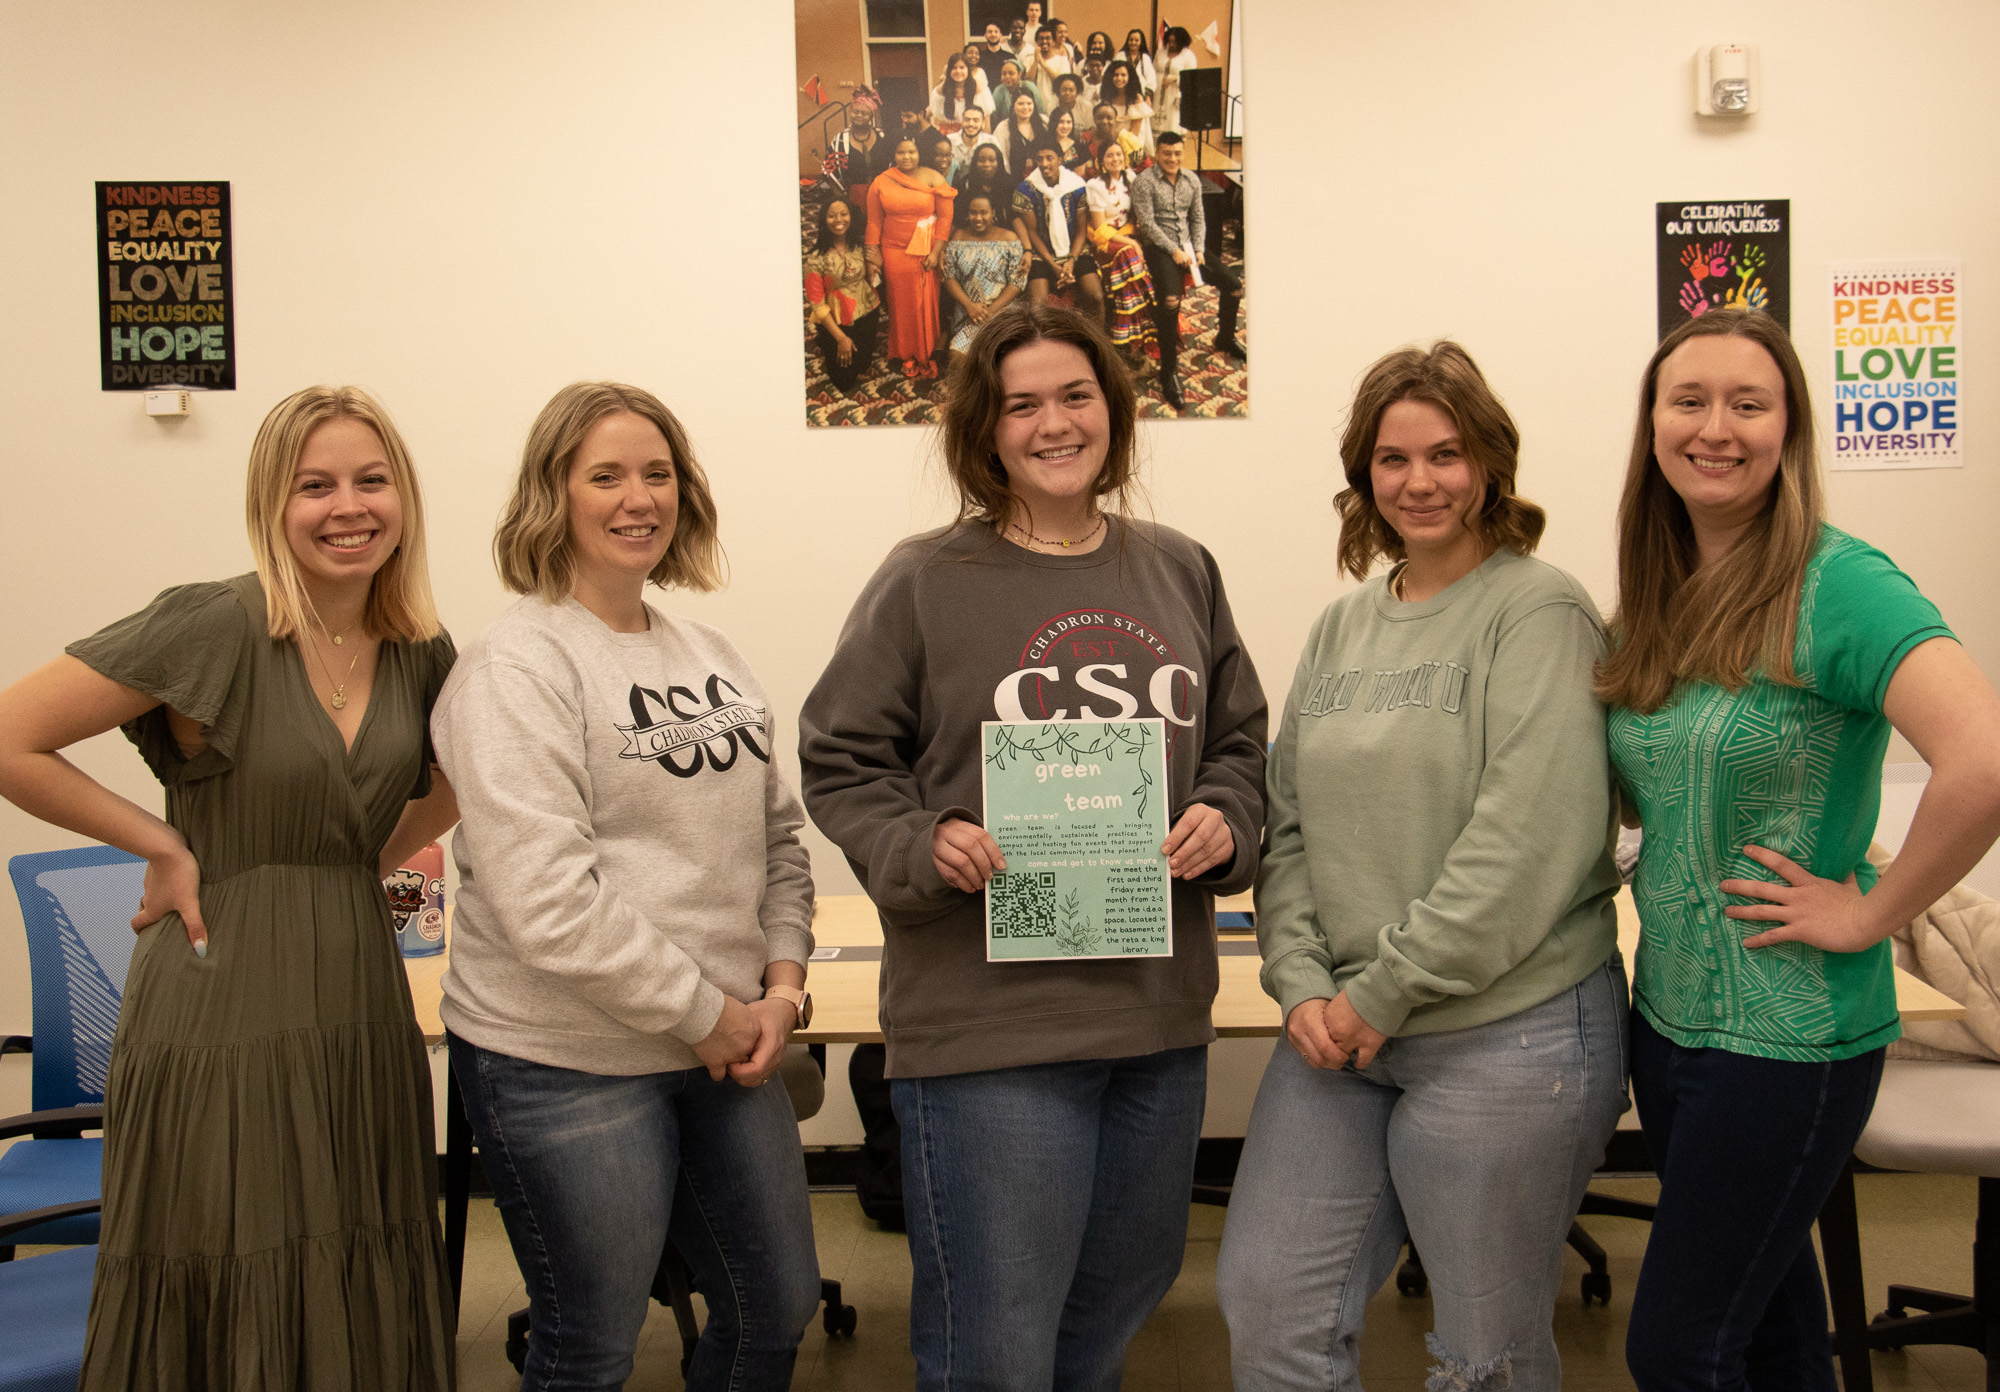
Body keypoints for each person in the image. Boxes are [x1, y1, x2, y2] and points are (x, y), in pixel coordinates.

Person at [797, 302, 1268, 1392]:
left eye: (1074, 396)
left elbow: (1240, 744)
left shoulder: (1178, 568)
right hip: (988, 1038)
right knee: (996, 1355)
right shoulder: (925, 579)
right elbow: (839, 759)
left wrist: (1226, 818)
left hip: (1154, 1023)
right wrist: (924, 839)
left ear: (1111, 411)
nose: (1053, 423)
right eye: (1021, 405)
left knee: (1108, 1322)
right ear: (985, 432)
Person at [0, 386, 460, 1389]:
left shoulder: (424, 649)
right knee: (233, 1251)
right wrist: (158, 843)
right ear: (272, 504)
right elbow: (10, 735)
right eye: (316, 486)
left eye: (371, 481)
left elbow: (445, 790)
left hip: (355, 996)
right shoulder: (211, 624)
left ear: (404, 498)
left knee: (359, 1242)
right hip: (221, 997)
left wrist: (355, 860)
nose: (349, 507)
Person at [1599, 307, 2000, 1392]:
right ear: (1650, 425)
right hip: (1670, 1022)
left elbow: (1984, 757)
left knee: (1676, 1349)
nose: (1713, 427)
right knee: (1770, 1338)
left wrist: (1868, 912)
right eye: (1687, 400)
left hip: (1788, 1042)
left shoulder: (1839, 583)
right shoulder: (1655, 594)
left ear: (1788, 429)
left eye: (1747, 402)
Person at [1215, 343, 1628, 1392]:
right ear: (1362, 476)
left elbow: (1523, 844)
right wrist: (1301, 982)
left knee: (1479, 1357)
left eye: (1444, 454)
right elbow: (1291, 824)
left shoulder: (1536, 611)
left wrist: (1380, 993)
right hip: (1343, 1036)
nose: (1419, 481)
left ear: (1488, 462)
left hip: (1509, 1029)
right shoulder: (1342, 625)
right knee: (1270, 1314)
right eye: (1391, 460)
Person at [437, 382, 821, 1392]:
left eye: (657, 473)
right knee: (592, 1341)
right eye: (603, 475)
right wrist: (707, 1015)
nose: (636, 497)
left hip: (727, 1046)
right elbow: (546, 903)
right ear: (550, 497)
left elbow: (776, 838)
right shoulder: (515, 666)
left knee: (773, 1308)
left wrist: (781, 985)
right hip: (567, 1060)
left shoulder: (710, 655)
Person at [1132, 129, 1245, 407]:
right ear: (1158, 154)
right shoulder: (1144, 181)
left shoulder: (1191, 180)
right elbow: (1147, 224)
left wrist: (1199, 249)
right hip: (1160, 249)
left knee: (1235, 286)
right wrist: (1174, 251)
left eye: (1177, 153)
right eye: (1167, 153)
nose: (1172, 158)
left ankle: (1225, 337)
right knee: (1171, 301)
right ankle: (1168, 370)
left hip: (1189, 248)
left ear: (1183, 153)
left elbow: (1197, 218)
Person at [867, 136, 958, 379]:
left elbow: (945, 219)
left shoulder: (934, 178)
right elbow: (874, 221)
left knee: (921, 302)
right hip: (893, 249)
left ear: (920, 153)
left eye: (912, 152)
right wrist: (872, 255)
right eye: (900, 152)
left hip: (925, 250)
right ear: (893, 155)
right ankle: (904, 352)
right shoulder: (881, 181)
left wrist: (936, 252)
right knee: (898, 302)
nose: (906, 157)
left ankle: (926, 351)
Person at [1013, 139, 1102, 318]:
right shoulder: (1026, 189)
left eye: (1049, 158)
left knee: (1096, 296)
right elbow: (1032, 232)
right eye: (1040, 159)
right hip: (1042, 252)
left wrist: (1070, 261)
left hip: (1075, 249)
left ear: (1060, 159)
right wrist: (1053, 264)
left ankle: (1096, 341)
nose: (1044, 164)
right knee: (1037, 305)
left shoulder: (1076, 186)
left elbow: (1081, 231)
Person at [805, 196, 881, 398]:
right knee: (843, 381)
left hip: (867, 312)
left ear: (851, 216)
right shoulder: (815, 259)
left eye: (843, 214)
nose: (839, 220)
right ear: (824, 220)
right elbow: (817, 305)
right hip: (837, 322)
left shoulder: (860, 246)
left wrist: (878, 262)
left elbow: (876, 275)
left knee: (862, 364)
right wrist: (840, 338)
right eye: (832, 216)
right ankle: (827, 339)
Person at [1084, 141, 1155, 354]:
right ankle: (1124, 336)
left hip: (1128, 232)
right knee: (1129, 254)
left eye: (1118, 155)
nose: (1115, 159)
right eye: (1109, 156)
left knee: (1132, 254)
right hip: (1104, 237)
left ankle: (1135, 332)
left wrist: (1135, 236)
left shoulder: (1132, 179)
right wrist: (1132, 242)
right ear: (1101, 162)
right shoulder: (1095, 186)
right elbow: (1098, 226)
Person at [939, 192, 1027, 356]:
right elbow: (948, 277)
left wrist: (991, 311)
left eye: (983, 212)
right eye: (973, 213)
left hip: (1002, 310)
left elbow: (1017, 283)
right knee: (957, 356)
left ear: (993, 213)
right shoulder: (959, 237)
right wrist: (969, 306)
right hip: (969, 313)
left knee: (1002, 355)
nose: (978, 218)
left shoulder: (1009, 239)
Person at [823, 87, 894, 210]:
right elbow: (829, 171)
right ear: (851, 112)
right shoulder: (840, 140)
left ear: (871, 115)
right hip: (853, 200)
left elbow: (894, 167)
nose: (859, 116)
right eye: (856, 112)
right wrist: (843, 200)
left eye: (864, 113)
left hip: (883, 196)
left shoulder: (883, 137)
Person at [1099, 57, 1155, 159]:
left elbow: (1134, 133)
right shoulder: (1107, 97)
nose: (1119, 78)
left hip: (1130, 144)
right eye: (1116, 75)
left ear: (1130, 77)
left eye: (1123, 75)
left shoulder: (1136, 98)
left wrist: (1120, 149)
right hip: (1110, 141)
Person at [929, 52, 992, 134]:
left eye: (962, 67)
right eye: (954, 68)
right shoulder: (940, 90)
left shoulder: (979, 89)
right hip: (948, 136)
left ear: (968, 69)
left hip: (973, 135)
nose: (958, 71)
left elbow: (986, 121)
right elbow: (938, 120)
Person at [1084, 100, 1147, 178]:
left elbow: (1145, 166)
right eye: (1100, 117)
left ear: (1115, 119)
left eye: (1109, 118)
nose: (1104, 121)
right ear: (1094, 119)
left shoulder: (1126, 139)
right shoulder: (1086, 138)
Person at [1154, 26, 1198, 135]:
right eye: (1169, 41)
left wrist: (1175, 78)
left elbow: (1191, 78)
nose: (1171, 44)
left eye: (1175, 42)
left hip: (1176, 95)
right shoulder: (1161, 52)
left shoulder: (1188, 55)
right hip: (1159, 94)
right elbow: (1153, 70)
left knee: (1173, 124)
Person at [954, 138, 1013, 216]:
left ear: (999, 162)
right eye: (981, 160)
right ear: (975, 162)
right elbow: (959, 218)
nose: (986, 164)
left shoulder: (1009, 184)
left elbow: (1013, 217)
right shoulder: (964, 184)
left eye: (992, 160)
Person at [999, 87, 1049, 174]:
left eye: (1029, 103)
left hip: (1043, 176)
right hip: (1014, 179)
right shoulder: (1003, 128)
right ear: (1013, 105)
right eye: (1020, 104)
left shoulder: (1044, 122)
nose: (1025, 107)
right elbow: (1002, 160)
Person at [945, 104, 999, 182]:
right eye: (967, 120)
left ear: (983, 123)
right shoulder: (949, 140)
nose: (971, 124)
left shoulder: (991, 141)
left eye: (976, 120)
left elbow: (999, 168)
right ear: (962, 122)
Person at [1024, 21, 1073, 95]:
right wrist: (1036, 61)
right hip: (1035, 103)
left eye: (1048, 38)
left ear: (1053, 41)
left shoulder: (1062, 60)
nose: (1044, 41)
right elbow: (1028, 81)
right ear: (1037, 42)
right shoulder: (1029, 59)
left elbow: (1062, 82)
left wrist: (1043, 64)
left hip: (1055, 103)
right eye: (1041, 38)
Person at [1047, 70, 1089, 141]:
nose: (1067, 93)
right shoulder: (1051, 106)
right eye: (1064, 90)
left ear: (1077, 91)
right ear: (1058, 91)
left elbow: (1090, 129)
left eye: (1071, 90)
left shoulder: (1086, 106)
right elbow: (1051, 130)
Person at [1051, 107, 1089, 177]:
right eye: (1061, 122)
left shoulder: (1080, 147)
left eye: (1068, 122)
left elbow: (1078, 178)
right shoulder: (1045, 144)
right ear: (1054, 122)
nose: (1065, 126)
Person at [1121, 27, 1158, 96]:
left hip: (1140, 96)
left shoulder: (1145, 58)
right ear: (1127, 41)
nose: (1133, 42)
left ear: (1141, 42)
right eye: (1131, 40)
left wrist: (1148, 97)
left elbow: (1151, 79)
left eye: (1136, 40)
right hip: (1122, 95)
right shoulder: (1120, 56)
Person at [976, 21, 1012, 87]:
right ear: (985, 35)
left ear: (1000, 35)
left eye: (996, 32)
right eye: (990, 32)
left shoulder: (1009, 57)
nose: (993, 34)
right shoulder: (979, 58)